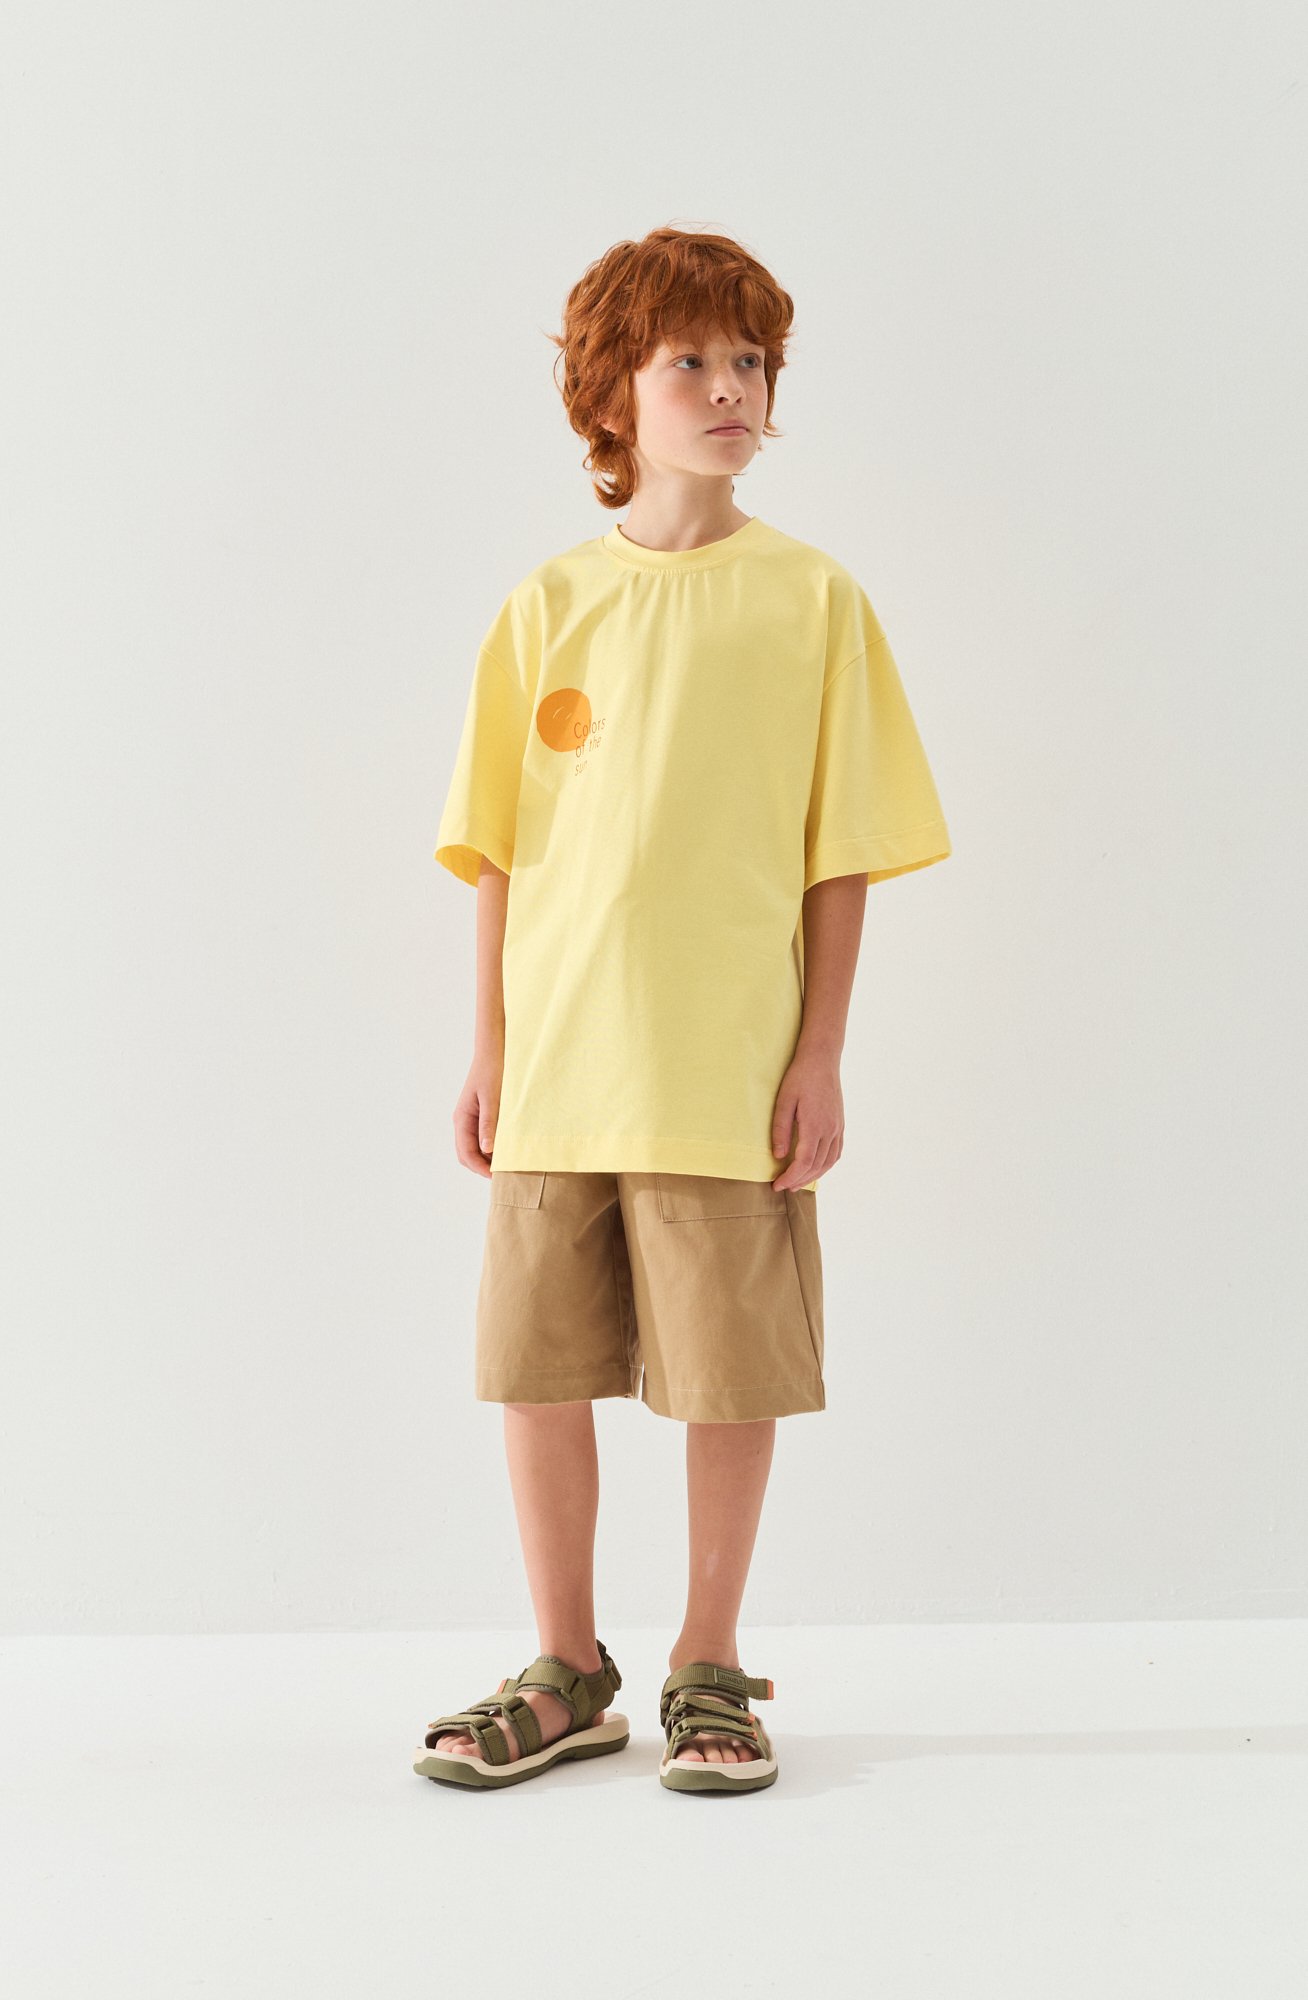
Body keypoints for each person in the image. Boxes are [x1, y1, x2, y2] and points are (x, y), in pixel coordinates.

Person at [415, 226, 952, 1794]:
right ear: (611, 398)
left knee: (728, 1372)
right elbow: (499, 853)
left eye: (752, 362)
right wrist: (490, 1050)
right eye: (690, 363)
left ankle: (708, 1659)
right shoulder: (546, 606)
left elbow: (842, 850)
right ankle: (567, 1667)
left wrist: (821, 1050)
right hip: (559, 1064)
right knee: (536, 1367)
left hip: (722, 1067)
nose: (730, 389)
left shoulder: (812, 600)